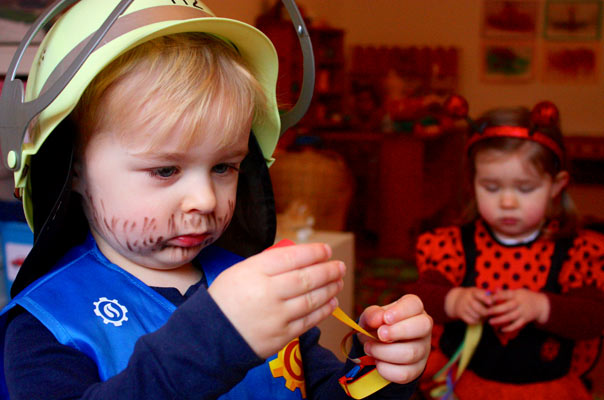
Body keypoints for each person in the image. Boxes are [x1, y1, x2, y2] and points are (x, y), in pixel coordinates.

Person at [0, 1, 432, 399]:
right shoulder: (49, 325)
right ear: (72, 167)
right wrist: (217, 339)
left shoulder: (255, 287)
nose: (205, 200)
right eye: (165, 170)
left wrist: (382, 371)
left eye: (224, 167)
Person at [408, 99, 604, 399]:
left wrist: (542, 307)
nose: (507, 202)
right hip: (468, 387)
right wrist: (452, 299)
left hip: (547, 390)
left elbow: (594, 315)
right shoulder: (453, 245)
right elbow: (418, 295)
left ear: (556, 185)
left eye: (525, 189)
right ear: (472, 182)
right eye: (491, 187)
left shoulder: (577, 251)